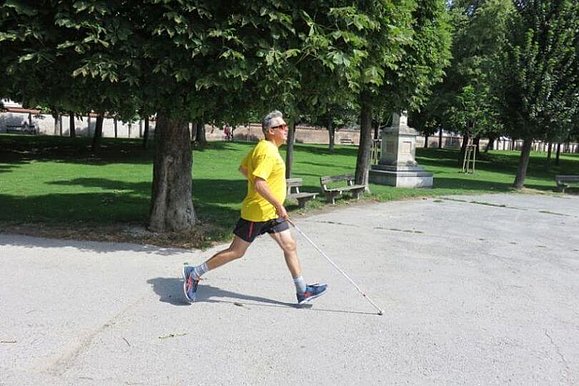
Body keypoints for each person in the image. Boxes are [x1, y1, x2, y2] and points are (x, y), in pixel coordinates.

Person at [183, 110, 328, 305]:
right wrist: (278, 204)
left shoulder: (263, 147)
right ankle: (194, 273)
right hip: (257, 212)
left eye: (286, 126)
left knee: (290, 245)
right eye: (281, 127)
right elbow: (259, 183)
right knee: (236, 251)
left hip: (270, 213)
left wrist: (270, 199)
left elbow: (244, 168)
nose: (286, 129)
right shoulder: (267, 152)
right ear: (270, 131)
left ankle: (302, 291)